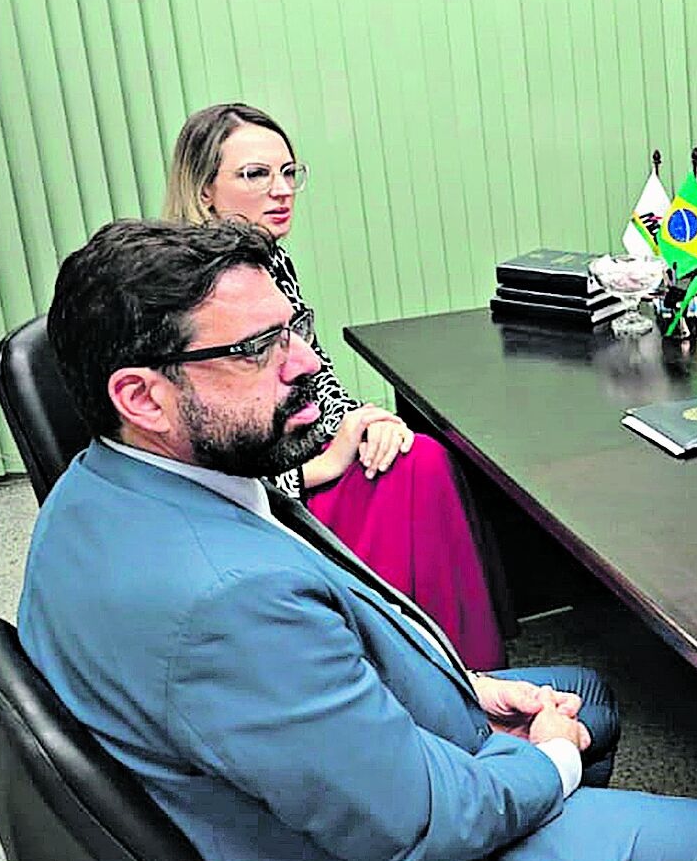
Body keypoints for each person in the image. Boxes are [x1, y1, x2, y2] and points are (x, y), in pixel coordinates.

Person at [20, 219, 697, 861]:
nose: (304, 363)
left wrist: (463, 689)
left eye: (290, 330)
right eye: (255, 350)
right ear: (142, 395)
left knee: (584, 693)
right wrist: (549, 768)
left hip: (294, 800)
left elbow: (283, 699)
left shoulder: (98, 488)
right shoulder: (225, 605)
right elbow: (426, 825)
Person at [162, 102, 503, 669]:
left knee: (419, 455)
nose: (281, 190)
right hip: (254, 485)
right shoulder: (188, 290)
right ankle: (405, 663)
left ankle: (461, 668)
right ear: (204, 192)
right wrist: (313, 470)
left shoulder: (269, 259)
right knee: (413, 470)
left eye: (288, 172)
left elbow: (312, 372)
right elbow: (203, 443)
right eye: (255, 175)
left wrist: (364, 421)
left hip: (290, 445)